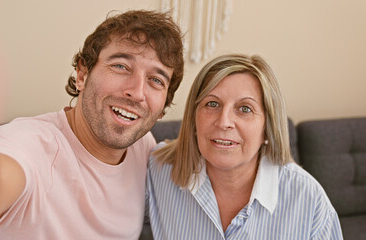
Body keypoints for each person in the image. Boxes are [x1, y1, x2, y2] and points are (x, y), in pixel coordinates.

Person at [0, 5, 184, 240]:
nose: (137, 92)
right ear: (82, 75)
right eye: (120, 66)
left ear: (162, 109)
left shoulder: (143, 147)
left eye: (156, 80)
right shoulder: (30, 147)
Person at [147, 54, 343, 239]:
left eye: (245, 109)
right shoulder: (158, 169)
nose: (224, 122)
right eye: (212, 104)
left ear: (268, 128)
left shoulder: (309, 199)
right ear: (193, 118)